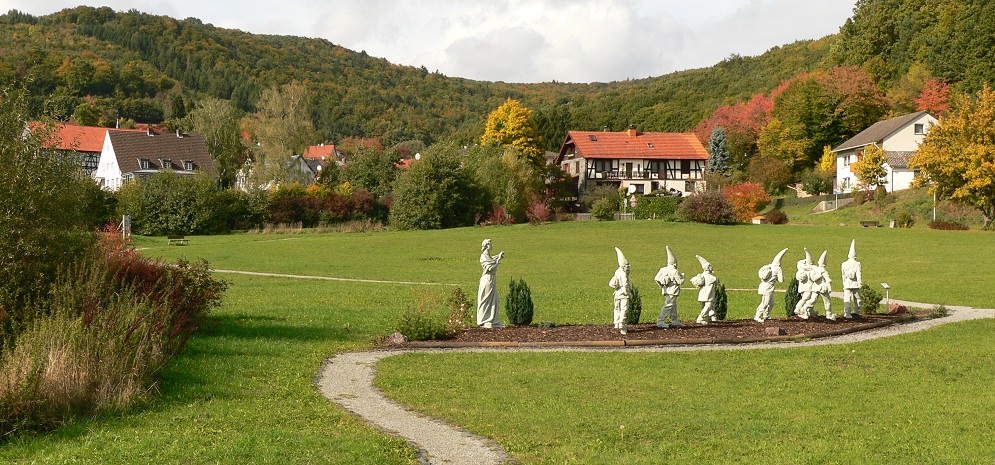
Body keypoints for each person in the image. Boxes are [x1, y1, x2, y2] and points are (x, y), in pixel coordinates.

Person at [654, 246, 685, 328]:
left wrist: (661, 285)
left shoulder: (663, 269)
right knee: (668, 305)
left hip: (666, 290)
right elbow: (680, 282)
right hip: (673, 290)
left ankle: (674, 320)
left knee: (673, 305)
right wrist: (682, 276)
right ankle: (660, 320)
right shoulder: (675, 271)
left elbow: (656, 278)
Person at [476, 239, 505, 328]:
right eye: (490, 244)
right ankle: (484, 320)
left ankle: (493, 320)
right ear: (486, 246)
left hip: (491, 280)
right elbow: (489, 268)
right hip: (487, 280)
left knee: (495, 300)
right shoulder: (483, 256)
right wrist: (497, 261)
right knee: (486, 300)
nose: (492, 246)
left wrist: (498, 256)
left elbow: (492, 259)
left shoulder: (488, 256)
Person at [754, 248, 787, 322]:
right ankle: (757, 316)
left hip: (763, 285)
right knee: (765, 303)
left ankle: (766, 315)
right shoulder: (778, 269)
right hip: (768, 287)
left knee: (771, 303)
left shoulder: (769, 266)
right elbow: (781, 280)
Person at [609, 247, 631, 335]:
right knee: (624, 308)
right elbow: (625, 284)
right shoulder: (623, 273)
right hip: (623, 293)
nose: (628, 267)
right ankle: (622, 323)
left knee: (617, 308)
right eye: (627, 266)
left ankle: (616, 322)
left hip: (617, 293)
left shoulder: (617, 271)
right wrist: (627, 293)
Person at [690, 255, 719, 324]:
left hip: (702, 293)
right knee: (708, 306)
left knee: (711, 306)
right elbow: (717, 281)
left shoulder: (701, 275)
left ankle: (713, 317)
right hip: (708, 294)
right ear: (708, 268)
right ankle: (700, 318)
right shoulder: (712, 278)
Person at [810, 250, 836, 320]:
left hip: (816, 287)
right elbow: (828, 280)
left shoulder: (815, 269)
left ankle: (805, 310)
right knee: (827, 301)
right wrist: (829, 288)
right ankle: (829, 314)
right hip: (822, 288)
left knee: (813, 300)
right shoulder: (823, 270)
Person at [841, 239, 863, 318]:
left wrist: (844, 283)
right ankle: (857, 312)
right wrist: (860, 283)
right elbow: (858, 274)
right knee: (857, 299)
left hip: (847, 284)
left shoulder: (844, 264)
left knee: (847, 299)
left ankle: (847, 312)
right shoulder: (857, 264)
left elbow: (843, 275)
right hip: (855, 284)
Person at [793, 249, 815, 319]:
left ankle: (809, 310)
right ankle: (798, 308)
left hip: (808, 287)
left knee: (810, 299)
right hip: (807, 287)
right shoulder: (803, 271)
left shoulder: (805, 270)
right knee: (806, 298)